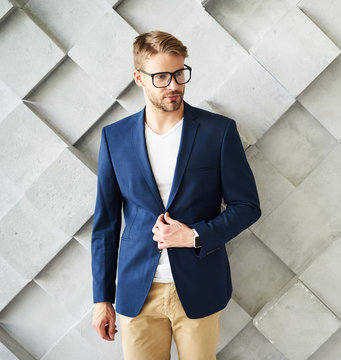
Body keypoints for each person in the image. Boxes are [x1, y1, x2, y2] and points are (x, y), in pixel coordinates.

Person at [90, 30, 261, 360]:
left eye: (180, 73)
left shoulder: (218, 131)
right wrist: (101, 298)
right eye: (162, 77)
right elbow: (105, 226)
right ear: (139, 78)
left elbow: (247, 206)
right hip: (136, 291)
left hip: (199, 287)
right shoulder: (115, 138)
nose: (174, 85)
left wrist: (195, 235)